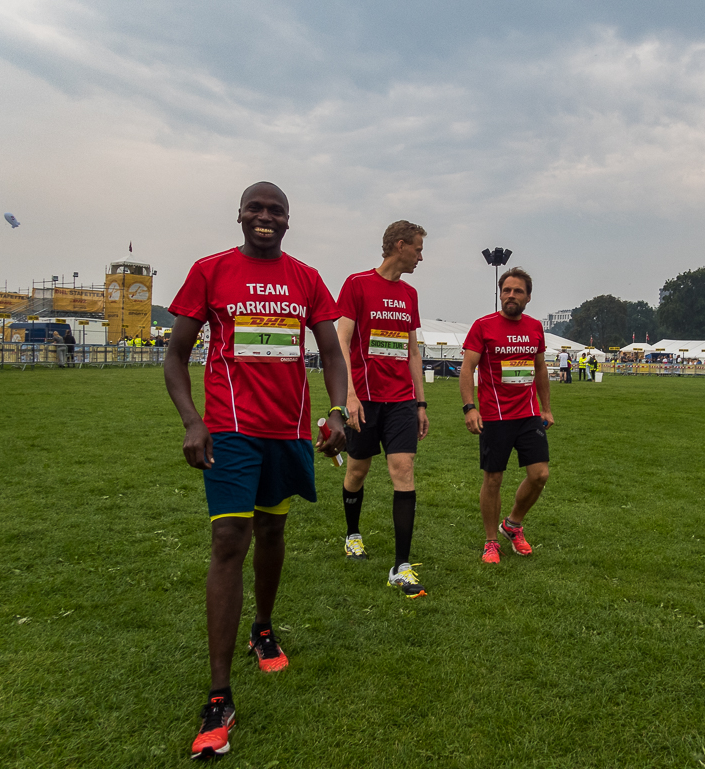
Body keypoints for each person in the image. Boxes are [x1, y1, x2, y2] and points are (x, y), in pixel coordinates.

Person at [164, 181, 347, 761]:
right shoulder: (209, 271)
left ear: (289, 221)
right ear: (240, 215)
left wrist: (338, 409)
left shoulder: (307, 278)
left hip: (288, 430)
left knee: (272, 531)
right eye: (256, 208)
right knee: (227, 538)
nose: (265, 217)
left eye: (276, 211)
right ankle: (219, 696)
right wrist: (193, 420)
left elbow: (331, 351)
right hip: (230, 429)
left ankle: (262, 627)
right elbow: (175, 354)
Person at [335, 220, 430, 598]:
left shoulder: (410, 294)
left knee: (403, 469)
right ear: (400, 245)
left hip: (401, 401)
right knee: (357, 469)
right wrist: (350, 394)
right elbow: (342, 339)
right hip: (365, 399)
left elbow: (412, 352)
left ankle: (401, 566)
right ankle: (352, 533)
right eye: (418, 249)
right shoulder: (357, 284)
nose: (421, 256)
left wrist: (421, 402)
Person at [460, 267, 554, 564]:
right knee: (494, 479)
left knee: (539, 475)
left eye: (518, 291)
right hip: (495, 416)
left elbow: (540, 369)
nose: (511, 295)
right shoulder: (483, 326)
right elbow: (467, 369)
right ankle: (490, 541)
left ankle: (512, 525)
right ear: (500, 293)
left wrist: (546, 407)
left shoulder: (535, 327)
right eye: (507, 290)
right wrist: (469, 407)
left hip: (527, 414)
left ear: (528, 296)